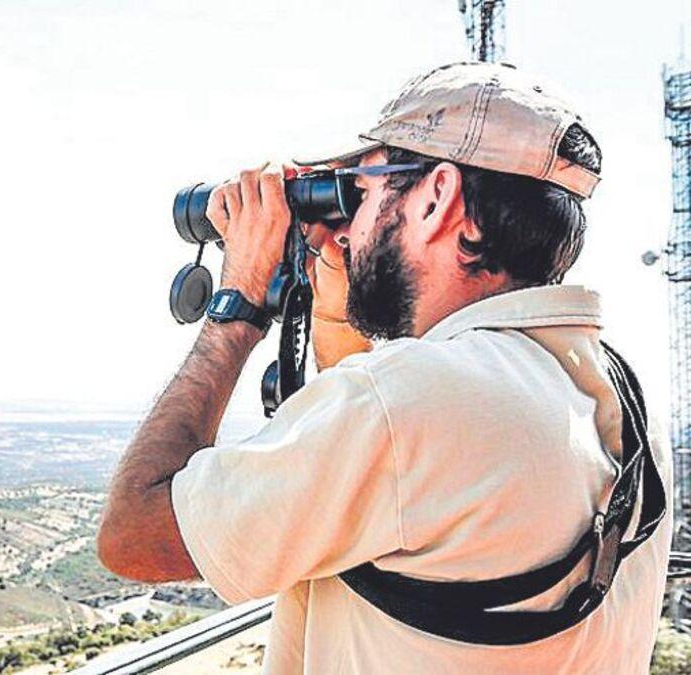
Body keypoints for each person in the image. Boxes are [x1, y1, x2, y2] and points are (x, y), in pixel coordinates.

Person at [96, 61, 673, 673]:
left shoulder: (410, 403)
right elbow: (387, 470)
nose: (352, 223)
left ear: (438, 197)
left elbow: (133, 535)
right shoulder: (619, 396)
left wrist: (238, 301)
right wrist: (339, 289)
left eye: (366, 190)